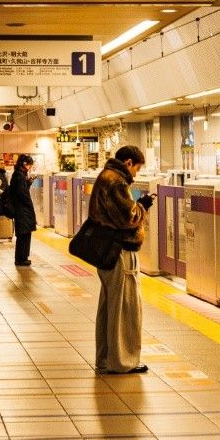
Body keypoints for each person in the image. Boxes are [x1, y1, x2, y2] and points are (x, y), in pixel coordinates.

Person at [90, 145, 154, 376]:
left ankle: (106, 359)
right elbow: (129, 217)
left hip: (107, 250)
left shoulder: (105, 177)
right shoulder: (116, 181)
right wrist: (143, 206)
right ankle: (122, 361)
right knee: (124, 308)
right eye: (137, 168)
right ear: (128, 163)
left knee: (109, 307)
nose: (136, 173)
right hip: (120, 252)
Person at [10, 154, 37, 267]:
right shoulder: (19, 175)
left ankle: (23, 257)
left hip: (21, 209)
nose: (30, 167)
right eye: (29, 164)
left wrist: (28, 183)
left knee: (24, 233)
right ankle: (21, 259)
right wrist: (29, 205)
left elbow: (20, 190)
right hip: (22, 209)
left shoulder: (19, 174)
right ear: (24, 164)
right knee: (23, 234)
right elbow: (22, 193)